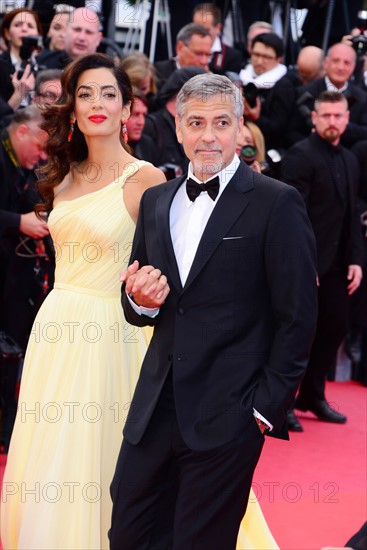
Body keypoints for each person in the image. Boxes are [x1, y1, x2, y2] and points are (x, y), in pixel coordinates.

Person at [109, 73, 318, 549]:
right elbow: (139, 298)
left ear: (240, 129)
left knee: (200, 541)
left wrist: (265, 410)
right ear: (178, 128)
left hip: (231, 410)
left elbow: (298, 315)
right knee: (127, 533)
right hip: (155, 408)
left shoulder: (276, 202)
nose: (208, 135)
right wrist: (138, 302)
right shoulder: (156, 200)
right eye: (196, 122)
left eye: (221, 122)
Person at [0, 52, 165, 549]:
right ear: (71, 109)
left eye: (108, 94)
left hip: (111, 331)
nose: (96, 103)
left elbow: (163, 273)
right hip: (56, 327)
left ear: (126, 108)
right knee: (53, 449)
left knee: (99, 448)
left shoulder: (144, 179)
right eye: (86, 93)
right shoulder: (61, 176)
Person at [282, 91, 364, 432]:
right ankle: (282, 403)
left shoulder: (349, 158)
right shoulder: (300, 156)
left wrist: (357, 259)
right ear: (314, 118)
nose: (332, 122)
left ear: (347, 118)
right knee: (297, 336)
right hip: (306, 262)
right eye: (326, 115)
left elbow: (351, 214)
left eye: (338, 116)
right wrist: (304, 264)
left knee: (335, 327)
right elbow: (292, 217)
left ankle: (312, 396)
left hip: (337, 263)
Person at [0, 104, 50, 453]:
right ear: (22, 132)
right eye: (40, 146)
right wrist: (19, 222)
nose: (43, 155)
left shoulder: (21, 165)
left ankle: (8, 433)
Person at [287, 43, 367, 149]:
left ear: (353, 67)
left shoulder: (362, 98)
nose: (341, 67)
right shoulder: (305, 93)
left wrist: (338, 127)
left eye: (347, 63)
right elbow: (290, 133)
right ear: (325, 63)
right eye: (336, 61)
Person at [0, 8, 43, 108]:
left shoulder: (46, 67)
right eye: (18, 25)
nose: (24, 29)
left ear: (38, 35)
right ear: (7, 34)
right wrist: (19, 95)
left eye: (30, 26)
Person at [154, 23, 212, 89]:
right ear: (180, 48)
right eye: (198, 54)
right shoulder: (157, 73)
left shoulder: (211, 78)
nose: (204, 62)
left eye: (208, 55)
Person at [192, 3, 244, 75]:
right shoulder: (186, 51)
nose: (200, 34)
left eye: (206, 30)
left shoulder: (233, 57)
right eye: (196, 29)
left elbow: (232, 85)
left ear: (218, 28)